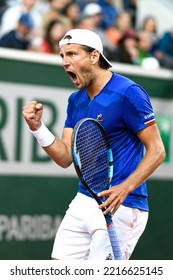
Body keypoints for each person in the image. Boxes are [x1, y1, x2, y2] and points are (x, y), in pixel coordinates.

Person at [22, 28, 165, 260]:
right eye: (62, 56)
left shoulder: (129, 93)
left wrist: (124, 187)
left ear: (94, 56)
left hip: (122, 205)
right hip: (85, 199)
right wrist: (38, 127)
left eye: (72, 54)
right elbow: (65, 157)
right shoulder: (75, 99)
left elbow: (157, 150)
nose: (65, 62)